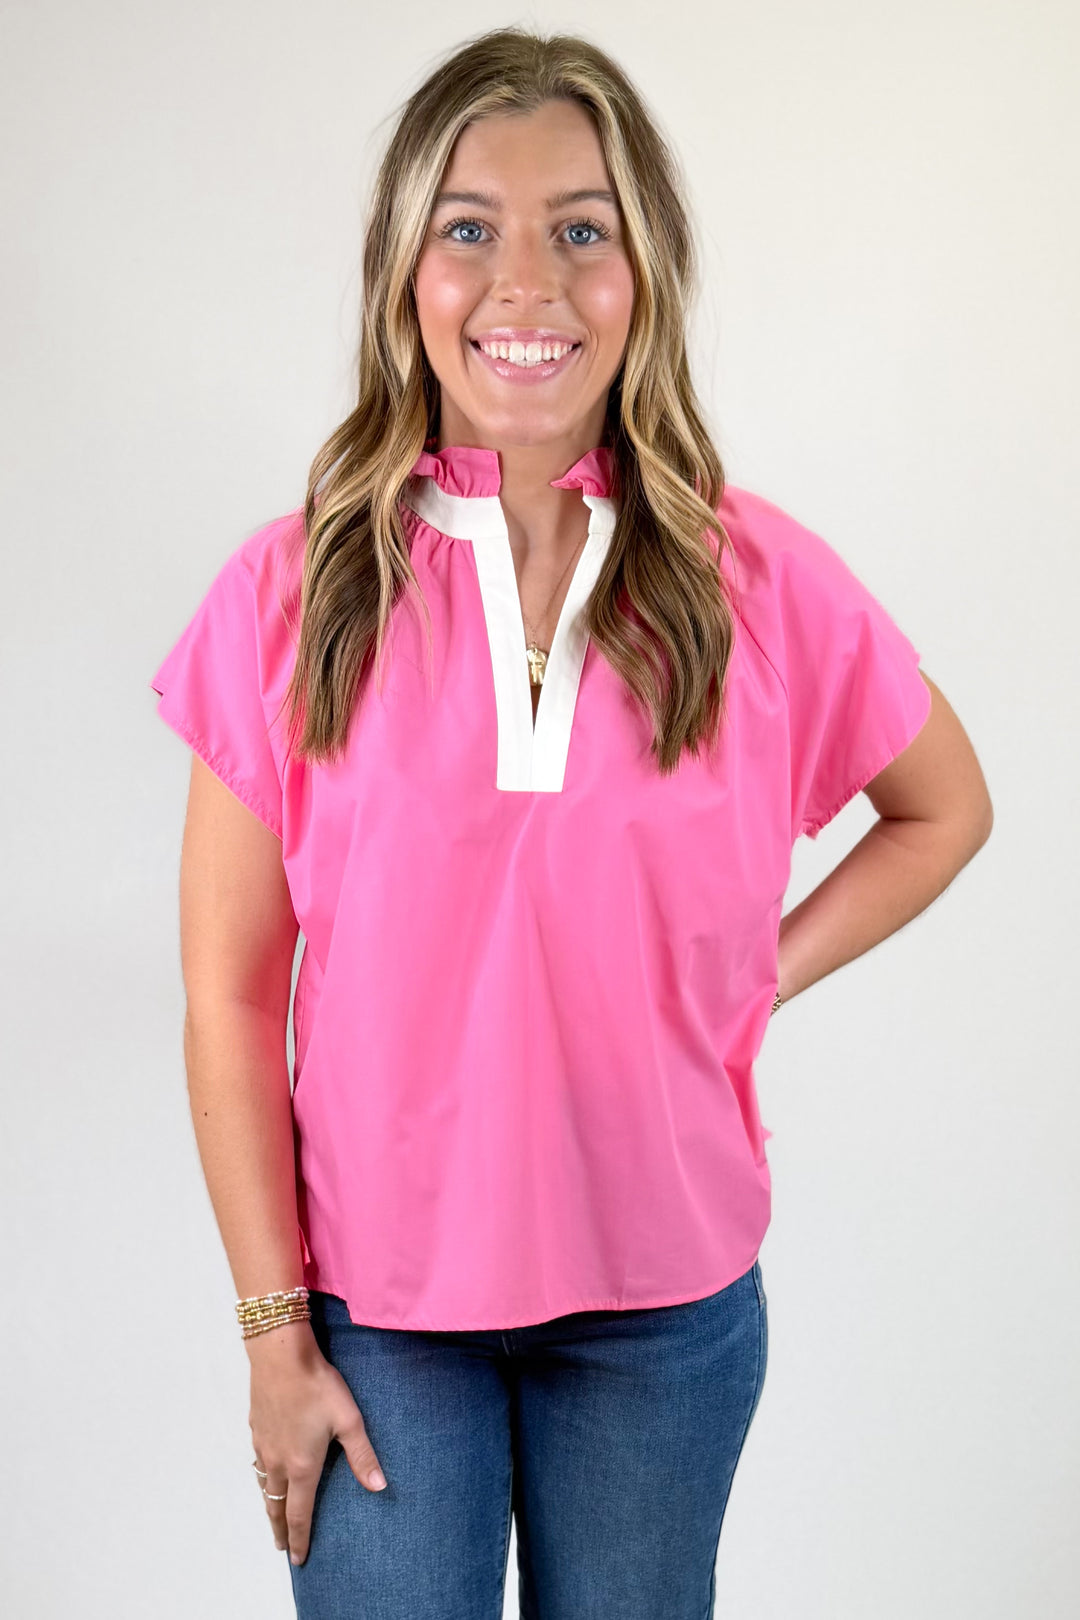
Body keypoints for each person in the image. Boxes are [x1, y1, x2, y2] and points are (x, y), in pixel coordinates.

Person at [147, 26, 993, 1620]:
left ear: (643, 275)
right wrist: (273, 1331)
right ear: (408, 273)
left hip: (666, 1310)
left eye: (579, 228)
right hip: (379, 1312)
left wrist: (757, 969)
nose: (523, 278)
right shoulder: (291, 593)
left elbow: (943, 809)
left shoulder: (759, 581)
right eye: (469, 226)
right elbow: (231, 993)